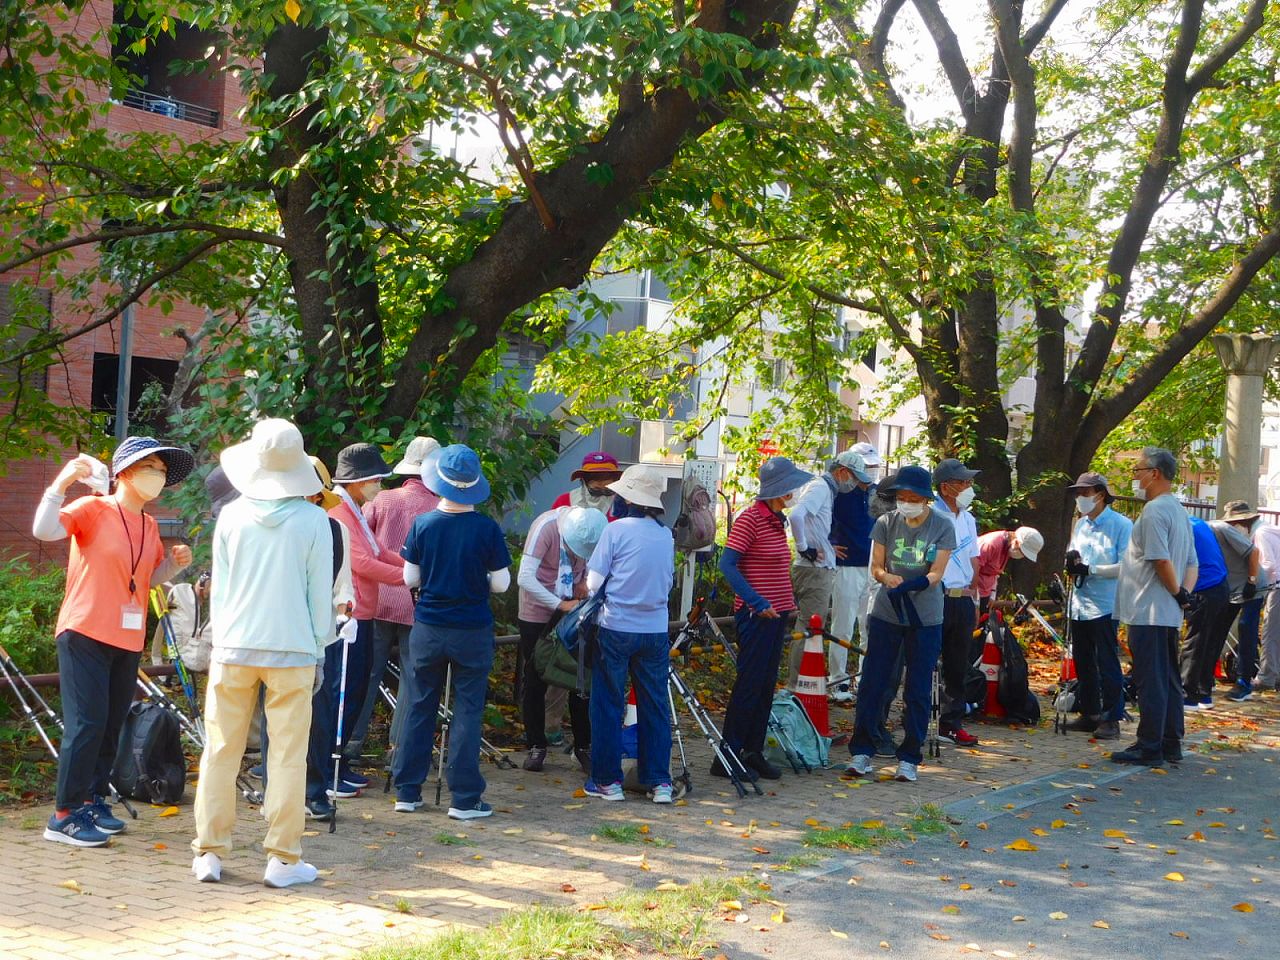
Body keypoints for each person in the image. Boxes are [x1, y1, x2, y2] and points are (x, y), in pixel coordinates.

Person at [190, 420, 334, 887]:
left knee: (220, 750)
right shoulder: (315, 521)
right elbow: (320, 597)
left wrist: (218, 644)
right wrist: (319, 652)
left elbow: (222, 593)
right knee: (288, 756)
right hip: (292, 649)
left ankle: (208, 853)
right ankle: (283, 859)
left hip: (233, 647)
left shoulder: (230, 515)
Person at [32, 439, 194, 847]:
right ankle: (63, 815)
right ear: (124, 472)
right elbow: (44, 530)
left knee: (109, 725)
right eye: (150, 466)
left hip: (127, 637)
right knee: (86, 724)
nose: (156, 475)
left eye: (161, 468)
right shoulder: (93, 508)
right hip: (84, 630)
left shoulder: (150, 525)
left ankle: (92, 799)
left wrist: (172, 564)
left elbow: (146, 581)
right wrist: (63, 482)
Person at [392, 444, 512, 820]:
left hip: (428, 626)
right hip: (471, 629)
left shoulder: (423, 524)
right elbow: (502, 585)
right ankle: (464, 798)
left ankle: (407, 791)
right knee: (468, 710)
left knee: (418, 703)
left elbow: (409, 576)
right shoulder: (487, 528)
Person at [846, 465, 955, 783]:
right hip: (887, 612)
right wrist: (886, 577)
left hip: (925, 617)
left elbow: (937, 572)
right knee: (873, 683)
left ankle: (909, 756)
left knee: (918, 689)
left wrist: (919, 582)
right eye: (901, 497)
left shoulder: (942, 526)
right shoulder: (885, 523)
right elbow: (876, 566)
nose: (905, 502)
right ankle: (862, 751)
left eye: (912, 497)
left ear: (925, 499)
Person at [583, 464, 675, 803]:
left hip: (616, 627)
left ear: (628, 499)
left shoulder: (616, 530)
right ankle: (659, 781)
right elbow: (667, 581)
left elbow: (593, 584)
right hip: (654, 629)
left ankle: (607, 781)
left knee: (607, 703)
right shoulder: (665, 535)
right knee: (655, 704)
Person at [718, 457, 813, 781]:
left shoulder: (777, 520)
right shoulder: (750, 519)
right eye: (792, 487)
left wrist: (788, 603)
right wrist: (757, 601)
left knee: (764, 688)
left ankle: (752, 751)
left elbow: (775, 568)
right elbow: (727, 565)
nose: (795, 492)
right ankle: (728, 755)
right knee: (748, 686)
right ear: (780, 489)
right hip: (755, 615)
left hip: (777, 615)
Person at [359, 436, 440, 775]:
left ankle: (349, 743)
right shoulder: (442, 508)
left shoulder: (382, 499)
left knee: (366, 672)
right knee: (412, 677)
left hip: (376, 597)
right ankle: (400, 749)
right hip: (417, 603)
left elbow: (360, 541)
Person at [1113, 448, 1198, 766]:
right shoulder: (1178, 510)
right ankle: (1170, 742)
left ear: (1156, 473)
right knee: (1169, 677)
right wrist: (1184, 596)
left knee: (1151, 678)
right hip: (1167, 611)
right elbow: (1192, 562)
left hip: (1148, 608)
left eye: (1139, 470)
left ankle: (1149, 745)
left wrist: (1177, 593)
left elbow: (1160, 558)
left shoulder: (1153, 512)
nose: (1136, 475)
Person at [328, 443, 405, 792]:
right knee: (343, 694)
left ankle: (339, 763)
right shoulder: (341, 514)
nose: (380, 485)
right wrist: (408, 578)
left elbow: (378, 550)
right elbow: (362, 563)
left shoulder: (354, 510)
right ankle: (331, 767)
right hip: (349, 618)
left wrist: (410, 566)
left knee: (357, 691)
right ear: (358, 481)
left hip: (364, 614)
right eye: (376, 479)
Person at [516, 506, 608, 772]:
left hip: (575, 609)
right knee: (535, 677)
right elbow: (524, 577)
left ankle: (583, 746)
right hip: (538, 609)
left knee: (580, 676)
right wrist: (559, 604)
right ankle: (536, 744)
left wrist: (584, 586)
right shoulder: (546, 527)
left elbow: (594, 572)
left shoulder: (594, 531)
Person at [1060, 473, 1132, 740]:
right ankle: (1090, 712)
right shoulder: (1081, 525)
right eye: (1078, 494)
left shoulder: (1121, 525)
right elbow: (1076, 556)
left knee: (1107, 661)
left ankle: (1112, 717)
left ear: (1100, 494)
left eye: (1085, 493)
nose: (1080, 499)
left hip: (1105, 604)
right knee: (1083, 660)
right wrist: (1073, 564)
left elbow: (1127, 566)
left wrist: (1091, 569)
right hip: (1080, 602)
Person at [786, 452, 865, 687]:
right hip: (814, 569)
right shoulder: (820, 487)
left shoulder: (825, 489)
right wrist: (804, 548)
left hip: (818, 567)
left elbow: (812, 524)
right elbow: (796, 515)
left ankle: (801, 684)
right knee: (809, 628)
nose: (854, 483)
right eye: (853, 477)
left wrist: (824, 545)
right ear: (842, 472)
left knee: (810, 627)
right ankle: (797, 686)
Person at [932, 458, 982, 747]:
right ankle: (917, 717)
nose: (968, 487)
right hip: (937, 596)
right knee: (925, 661)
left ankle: (951, 724)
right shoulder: (932, 516)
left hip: (962, 598)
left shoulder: (967, 518)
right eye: (963, 482)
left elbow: (973, 557)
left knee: (957, 665)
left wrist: (973, 593)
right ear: (946, 487)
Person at [828, 449, 877, 702]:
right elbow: (818, 520)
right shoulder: (839, 493)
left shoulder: (876, 493)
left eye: (873, 466)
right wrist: (827, 545)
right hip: (846, 565)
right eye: (866, 467)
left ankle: (864, 677)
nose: (869, 472)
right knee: (843, 625)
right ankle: (838, 681)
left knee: (869, 626)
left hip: (873, 567)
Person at [1210, 501, 1269, 702]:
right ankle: (1206, 675)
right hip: (1234, 588)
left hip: (1253, 586)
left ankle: (1244, 681)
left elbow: (1254, 553)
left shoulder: (1236, 531)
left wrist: (1251, 582)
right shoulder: (1222, 531)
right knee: (1219, 627)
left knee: (1246, 629)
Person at [1177, 516, 1229, 708]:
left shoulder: (1181, 526)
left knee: (1195, 642)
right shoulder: (1198, 523)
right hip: (1221, 585)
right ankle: (1203, 693)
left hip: (1204, 586)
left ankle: (1187, 694)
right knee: (1211, 643)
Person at [148, 572, 210, 671]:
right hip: (180, 647)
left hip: (189, 648)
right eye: (207, 591)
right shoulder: (180, 591)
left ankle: (169, 676)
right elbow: (164, 617)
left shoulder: (189, 596)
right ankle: (168, 676)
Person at [974, 527, 1042, 612]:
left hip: (985, 593)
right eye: (1022, 552)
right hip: (971, 594)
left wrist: (992, 593)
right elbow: (972, 570)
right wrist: (975, 600)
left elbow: (994, 572)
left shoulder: (1007, 549)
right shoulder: (991, 544)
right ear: (1016, 542)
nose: (1022, 556)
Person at [552, 451, 623, 518]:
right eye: (594, 477)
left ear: (615, 479)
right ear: (584, 480)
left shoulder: (623, 503)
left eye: (606, 476)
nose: (601, 482)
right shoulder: (564, 501)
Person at [1255, 518, 1280, 691]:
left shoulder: (1261, 533)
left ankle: (1266, 677)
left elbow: (1269, 565)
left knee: (1270, 633)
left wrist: (1253, 579)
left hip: (1277, 587)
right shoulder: (1275, 531)